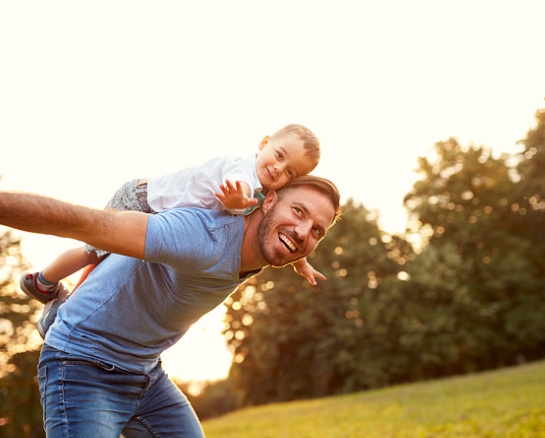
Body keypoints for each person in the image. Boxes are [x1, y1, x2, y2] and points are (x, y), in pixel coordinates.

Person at [1, 174, 341, 437]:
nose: (302, 232)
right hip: (83, 363)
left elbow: (291, 236)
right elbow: (85, 223)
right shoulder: (200, 237)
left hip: (144, 370)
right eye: (298, 212)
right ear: (268, 202)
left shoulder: (265, 244)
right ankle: (61, 313)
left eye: (317, 231)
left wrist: (300, 261)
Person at [20, 124, 326, 313]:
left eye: (290, 173)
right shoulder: (243, 171)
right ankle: (42, 282)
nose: (278, 169)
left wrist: (301, 262)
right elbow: (237, 191)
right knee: (94, 251)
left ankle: (71, 302)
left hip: (156, 208)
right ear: (264, 143)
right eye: (280, 156)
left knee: (104, 260)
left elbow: (279, 228)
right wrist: (236, 202)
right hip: (142, 200)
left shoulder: (263, 191)